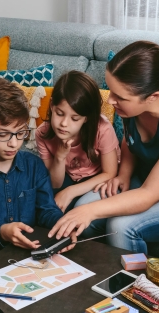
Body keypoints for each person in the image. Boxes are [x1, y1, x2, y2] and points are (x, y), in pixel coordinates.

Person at [49, 41, 159, 253]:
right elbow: (129, 140)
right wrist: (124, 174)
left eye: (119, 97)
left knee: (121, 227)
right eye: (111, 92)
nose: (111, 102)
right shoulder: (130, 107)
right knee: (82, 208)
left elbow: (149, 194)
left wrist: (91, 211)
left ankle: (133, 284)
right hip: (147, 179)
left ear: (153, 96)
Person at [0, 79, 75, 265]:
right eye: (3, 134)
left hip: (32, 259)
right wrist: (2, 233)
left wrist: (64, 227)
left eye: (20, 132)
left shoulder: (33, 165)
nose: (14, 143)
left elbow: (46, 210)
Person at [36, 71, 119, 212]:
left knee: (78, 210)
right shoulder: (42, 133)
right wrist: (60, 157)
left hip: (97, 177)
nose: (64, 124)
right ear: (51, 105)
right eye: (59, 113)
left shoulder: (102, 129)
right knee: (42, 205)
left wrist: (70, 192)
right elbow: (55, 184)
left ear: (86, 118)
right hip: (65, 177)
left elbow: (110, 173)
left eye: (75, 119)